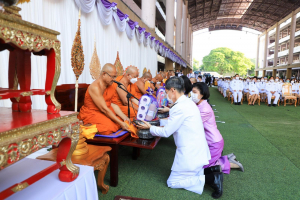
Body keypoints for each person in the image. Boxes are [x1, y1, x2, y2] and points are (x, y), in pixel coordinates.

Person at [136, 77, 223, 198]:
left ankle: (211, 178)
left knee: (172, 182)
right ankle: (212, 171)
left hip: (190, 152)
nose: (166, 95)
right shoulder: (188, 103)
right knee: (191, 174)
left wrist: (150, 127)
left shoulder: (179, 107)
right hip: (198, 149)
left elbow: (166, 132)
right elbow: (175, 123)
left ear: (172, 90)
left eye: (166, 92)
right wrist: (158, 122)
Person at [191, 82, 244, 174]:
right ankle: (226, 158)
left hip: (213, 143)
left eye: (194, 92)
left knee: (203, 168)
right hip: (208, 142)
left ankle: (231, 163)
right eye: (191, 92)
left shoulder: (204, 109)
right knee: (197, 163)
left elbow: (191, 123)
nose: (192, 94)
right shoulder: (198, 104)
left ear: (202, 94)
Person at [78, 63, 131, 135]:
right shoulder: (95, 87)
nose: (114, 79)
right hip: (92, 113)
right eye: (112, 77)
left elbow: (113, 104)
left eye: (115, 77)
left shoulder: (110, 86)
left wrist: (124, 118)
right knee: (110, 126)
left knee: (121, 122)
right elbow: (104, 109)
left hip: (105, 111)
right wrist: (121, 123)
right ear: (104, 74)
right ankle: (84, 126)